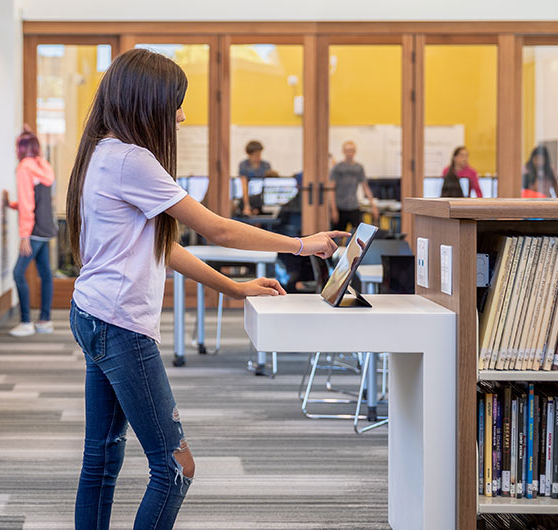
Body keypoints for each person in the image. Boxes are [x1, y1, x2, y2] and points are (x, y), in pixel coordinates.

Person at [66, 48, 348, 530]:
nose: (180, 114)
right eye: (175, 102)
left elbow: (159, 247)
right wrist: (304, 244)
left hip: (90, 314)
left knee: (103, 458)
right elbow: (220, 230)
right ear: (146, 102)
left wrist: (233, 288)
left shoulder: (102, 152)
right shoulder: (133, 161)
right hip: (119, 327)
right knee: (175, 467)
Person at [3, 127, 57, 337]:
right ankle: (45, 320)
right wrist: (12, 204)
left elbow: (28, 204)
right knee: (45, 274)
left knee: (18, 273)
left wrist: (24, 235)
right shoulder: (44, 166)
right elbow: (35, 200)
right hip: (47, 229)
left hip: (33, 232)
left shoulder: (24, 168)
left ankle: (25, 321)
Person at [329, 141, 378, 232]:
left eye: (351, 150)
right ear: (343, 151)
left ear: (355, 151)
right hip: (340, 207)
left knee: (359, 232)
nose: (349, 153)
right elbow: (331, 190)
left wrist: (373, 206)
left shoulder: (359, 168)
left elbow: (365, 187)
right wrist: (333, 209)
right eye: (347, 150)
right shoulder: (337, 168)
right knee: (338, 234)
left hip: (353, 206)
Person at [238, 140, 272, 216]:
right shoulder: (244, 165)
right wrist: (246, 205)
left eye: (259, 154)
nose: (258, 157)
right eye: (255, 155)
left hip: (262, 197)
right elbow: (244, 185)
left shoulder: (266, 165)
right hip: (249, 197)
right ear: (249, 155)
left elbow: (269, 183)